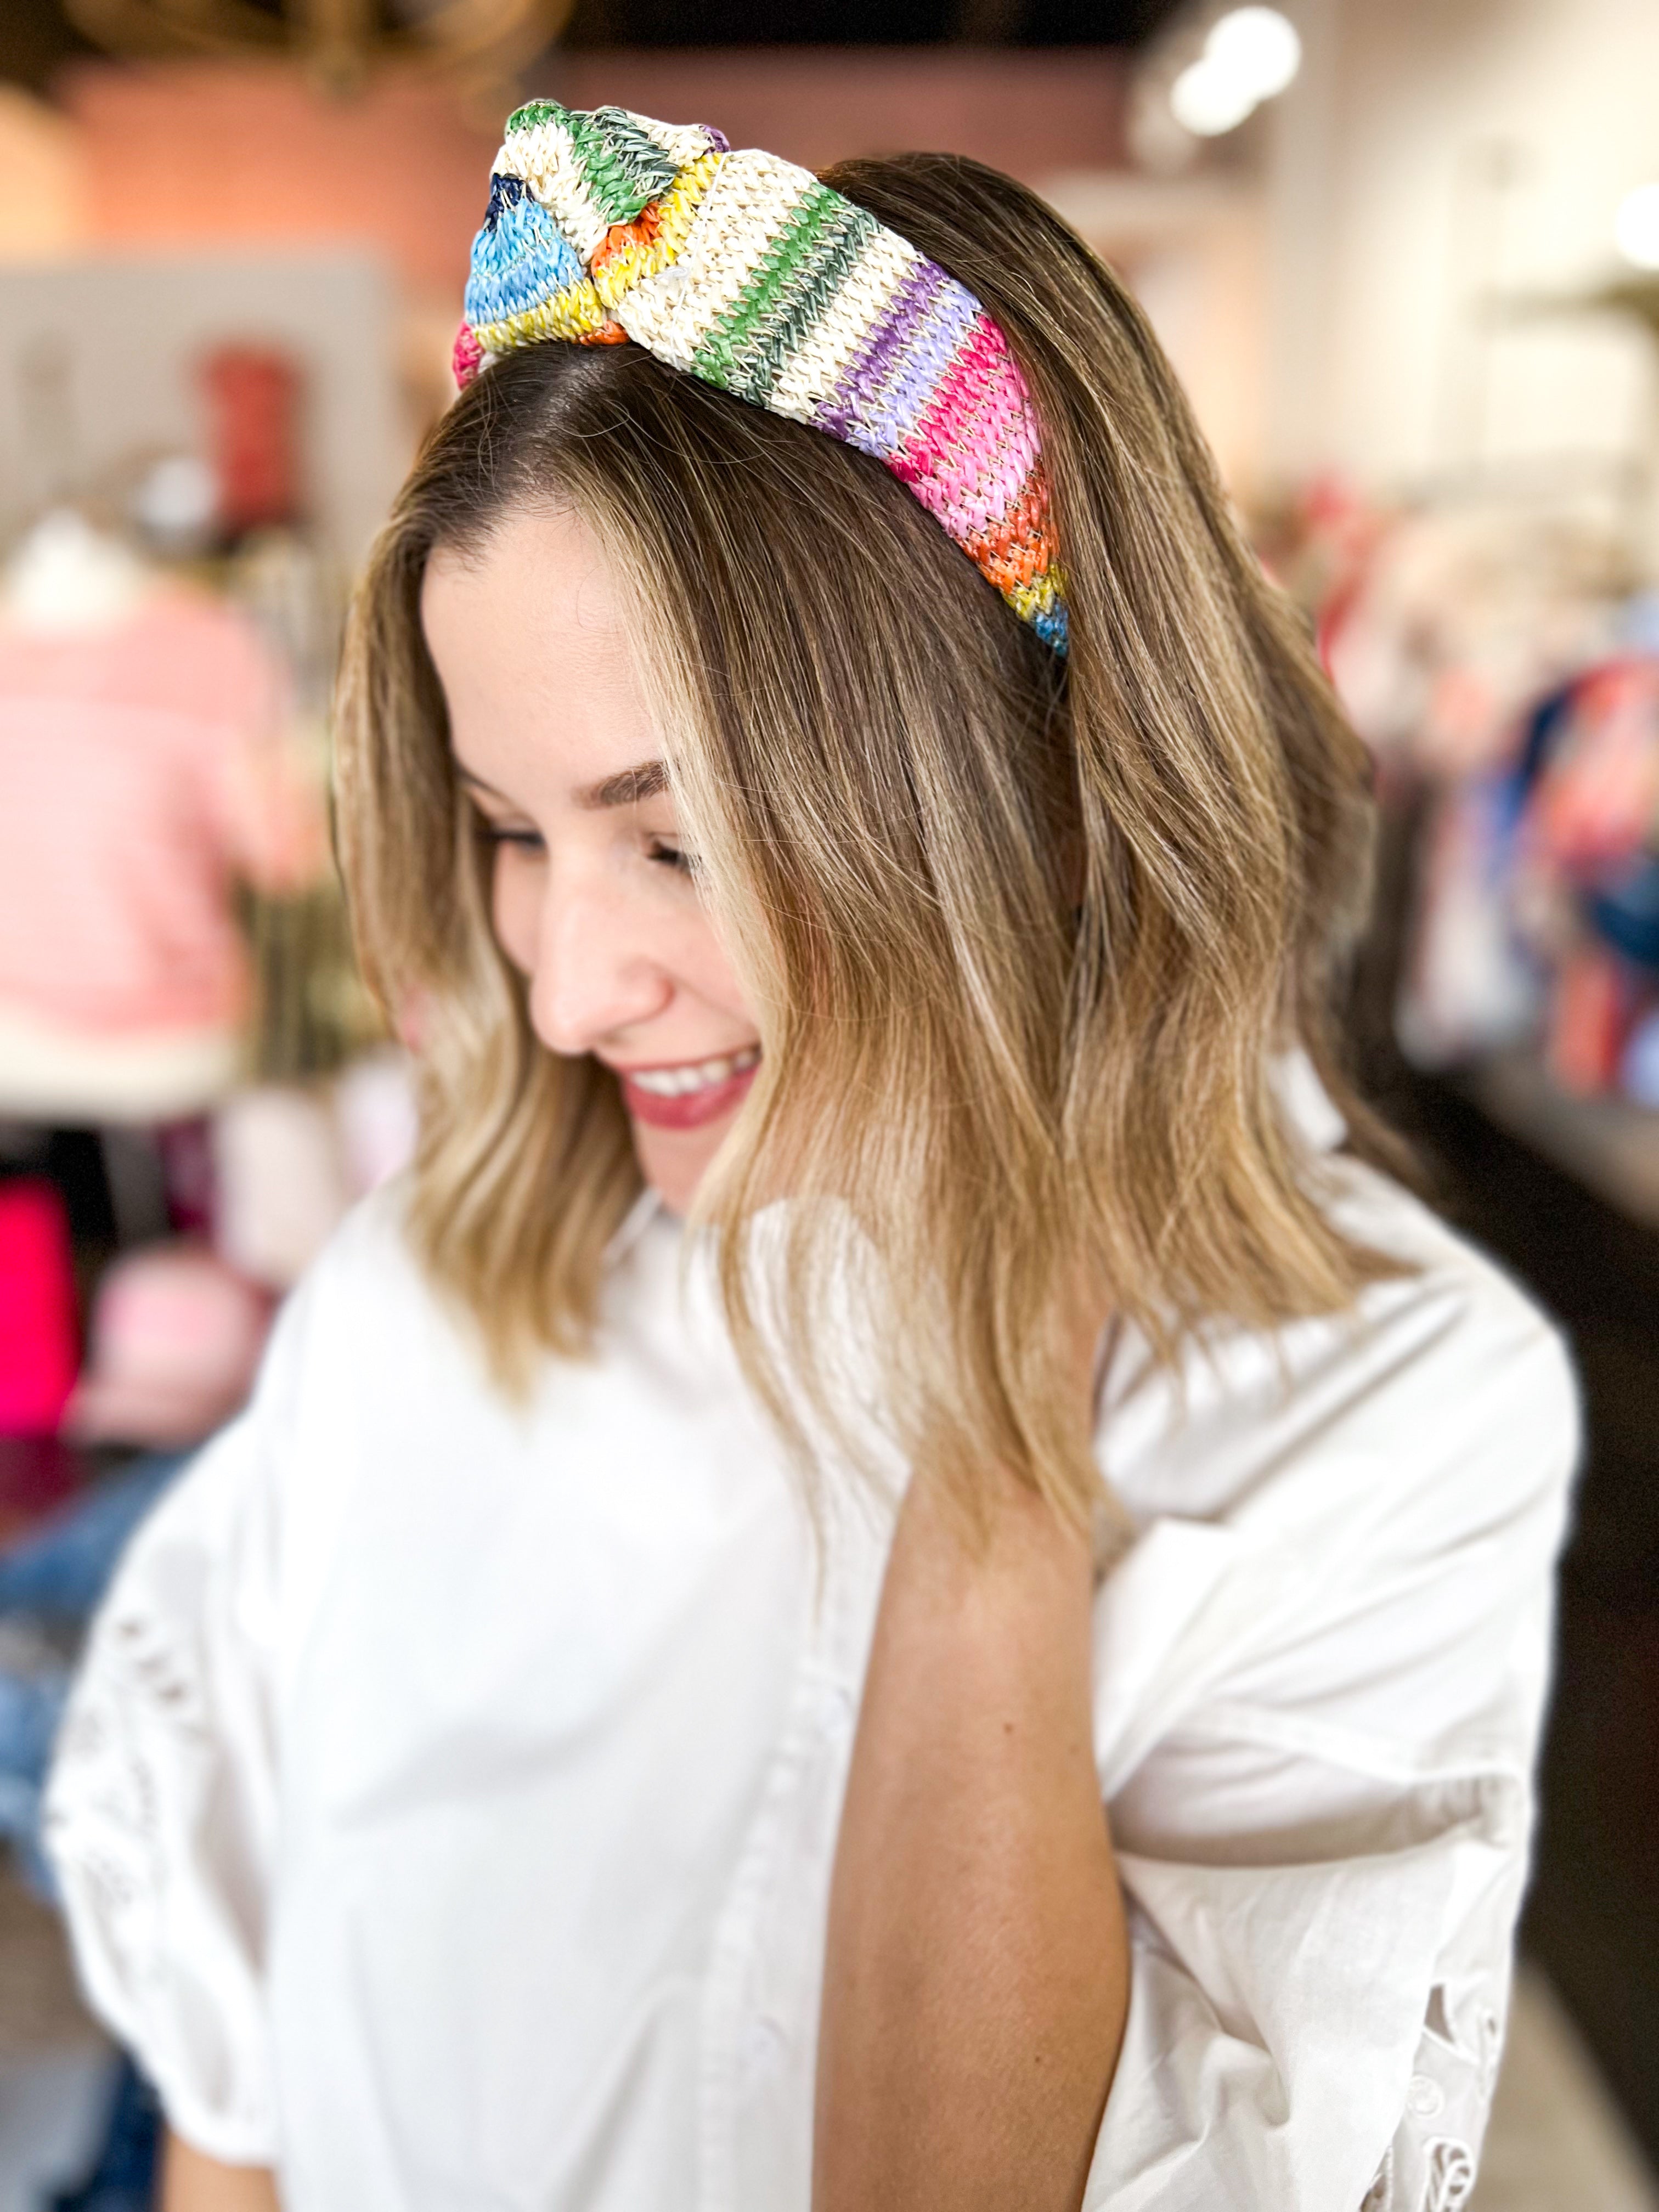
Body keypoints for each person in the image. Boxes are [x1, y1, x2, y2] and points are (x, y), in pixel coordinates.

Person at [43, 105, 1578, 2212]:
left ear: (1033, 790)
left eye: (674, 840)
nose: (568, 992)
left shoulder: (1375, 1416)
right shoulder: (436, 1294)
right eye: (514, 832)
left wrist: (1002, 1408)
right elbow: (237, 2108)